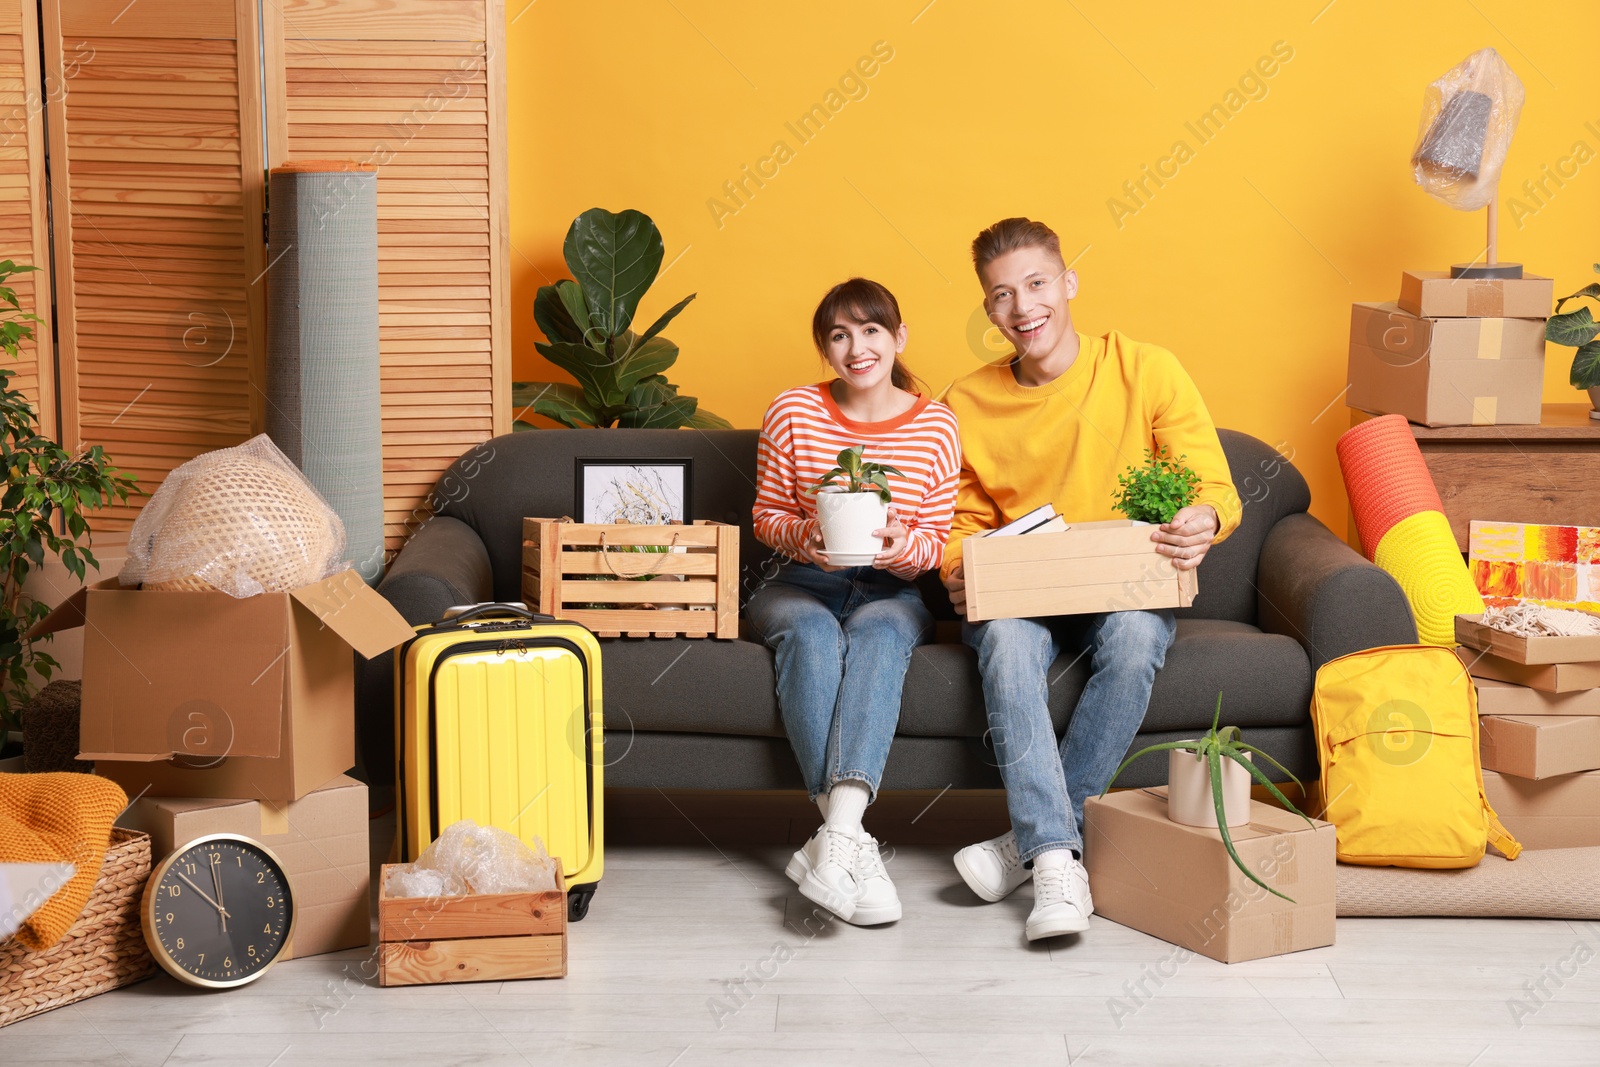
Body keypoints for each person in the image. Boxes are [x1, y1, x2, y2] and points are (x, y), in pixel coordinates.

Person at [940, 218, 1242, 940]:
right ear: (989, 311)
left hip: (1127, 585)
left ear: (1069, 284)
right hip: (1024, 595)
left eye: (1037, 284)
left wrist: (1204, 516)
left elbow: (1213, 485)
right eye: (1003, 295)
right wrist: (958, 568)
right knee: (1004, 644)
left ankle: (1040, 845)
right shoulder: (967, 402)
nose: (1023, 308)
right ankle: (1055, 853)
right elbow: (957, 521)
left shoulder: (1147, 369)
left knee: (1137, 639)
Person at [746, 277, 961, 925]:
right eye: (838, 334)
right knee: (809, 636)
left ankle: (832, 839)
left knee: (881, 634)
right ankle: (850, 843)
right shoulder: (792, 412)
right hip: (799, 582)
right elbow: (765, 514)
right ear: (825, 348)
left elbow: (935, 539)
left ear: (899, 338)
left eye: (870, 330)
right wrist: (801, 534)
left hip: (891, 587)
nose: (856, 346)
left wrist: (902, 546)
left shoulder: (936, 424)